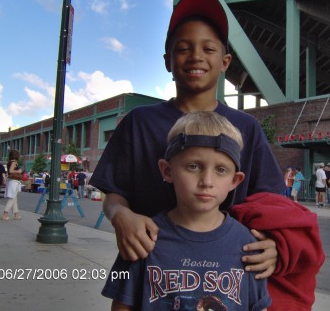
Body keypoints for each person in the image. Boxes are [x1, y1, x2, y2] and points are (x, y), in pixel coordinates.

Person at [90, 0, 323, 310]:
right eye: (183, 48)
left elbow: (272, 205)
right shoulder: (139, 122)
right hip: (151, 265)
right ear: (167, 61)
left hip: (226, 273)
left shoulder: (246, 127)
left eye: (208, 48)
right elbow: (114, 193)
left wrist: (275, 246)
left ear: (225, 61)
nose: (196, 56)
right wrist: (121, 217)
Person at [103, 111, 271, 310]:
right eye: (193, 166)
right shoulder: (143, 239)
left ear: (235, 181)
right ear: (167, 171)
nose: (207, 181)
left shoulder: (248, 246)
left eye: (221, 170)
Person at [1, 149, 23, 221]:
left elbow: (9, 171)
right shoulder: (14, 162)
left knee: (14, 199)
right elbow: (11, 171)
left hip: (11, 181)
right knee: (12, 199)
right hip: (14, 182)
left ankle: (16, 215)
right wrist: (18, 171)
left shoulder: (9, 162)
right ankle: (5, 214)